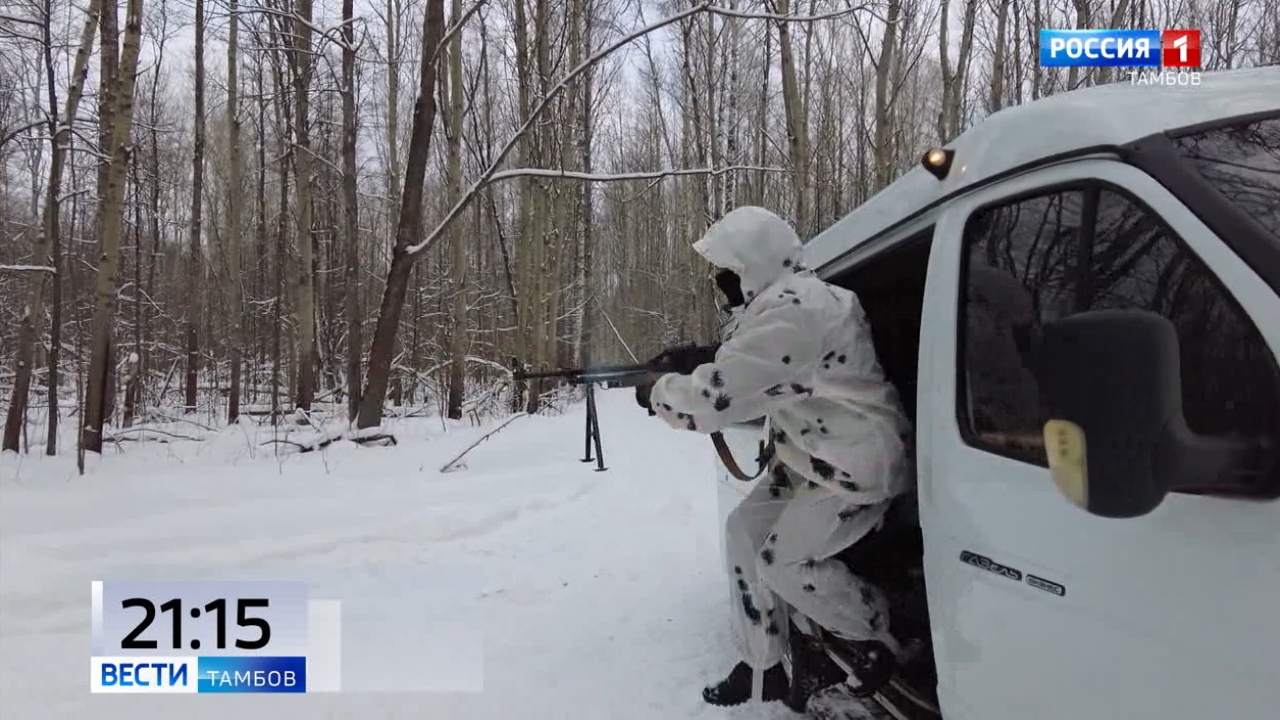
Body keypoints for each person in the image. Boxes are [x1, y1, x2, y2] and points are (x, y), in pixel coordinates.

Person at [635, 206, 914, 709]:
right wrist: (695, 357)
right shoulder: (785, 305)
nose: (724, 286)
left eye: (728, 273)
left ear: (752, 266)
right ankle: (760, 661)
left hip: (854, 468)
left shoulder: (800, 310)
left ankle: (876, 636)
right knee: (743, 532)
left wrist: (661, 391)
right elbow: (754, 359)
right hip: (811, 459)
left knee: (783, 563)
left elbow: (716, 398)